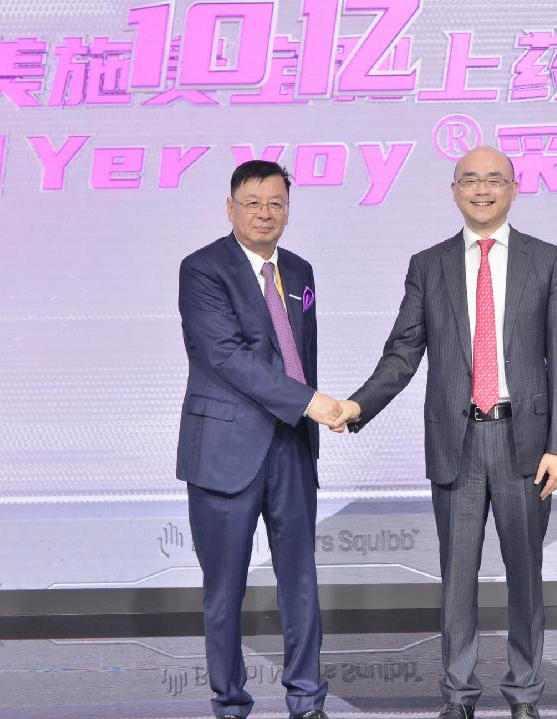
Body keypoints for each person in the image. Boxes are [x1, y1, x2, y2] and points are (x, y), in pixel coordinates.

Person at [333, 146, 557, 719]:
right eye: (470, 180)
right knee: (456, 579)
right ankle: (458, 694)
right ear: (454, 190)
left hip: (526, 444)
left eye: (494, 180)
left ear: (514, 188)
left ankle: (524, 694)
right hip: (457, 444)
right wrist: (356, 405)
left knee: (526, 577)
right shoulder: (429, 265)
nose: (482, 190)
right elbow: (403, 352)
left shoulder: (547, 260)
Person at [177, 160, 340, 719]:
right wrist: (311, 403)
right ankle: (230, 702)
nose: (265, 213)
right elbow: (225, 356)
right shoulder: (202, 269)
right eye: (253, 203)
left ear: (288, 211)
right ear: (231, 208)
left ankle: (306, 699)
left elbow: (301, 354)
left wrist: (309, 414)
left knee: (301, 581)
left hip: (292, 446)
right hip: (226, 450)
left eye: (276, 203)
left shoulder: (299, 270)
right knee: (225, 589)